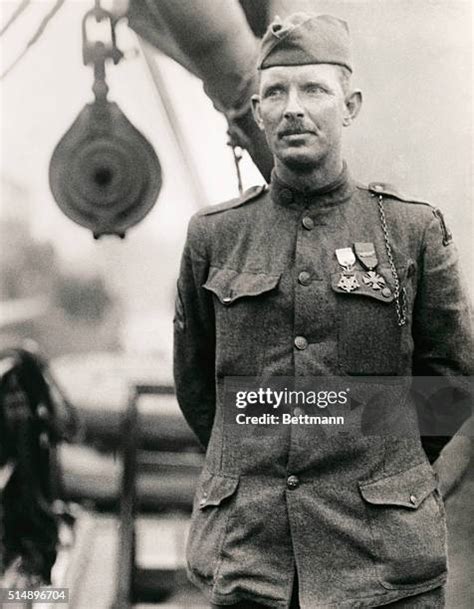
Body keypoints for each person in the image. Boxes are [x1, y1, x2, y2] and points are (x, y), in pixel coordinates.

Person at [173, 13, 473, 609]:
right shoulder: (215, 236)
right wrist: (261, 451)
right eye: (277, 92)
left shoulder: (410, 229)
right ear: (257, 109)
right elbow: (196, 384)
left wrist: (384, 465)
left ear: (350, 104)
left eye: (314, 89)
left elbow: (454, 376)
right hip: (252, 559)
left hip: (384, 560)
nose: (293, 109)